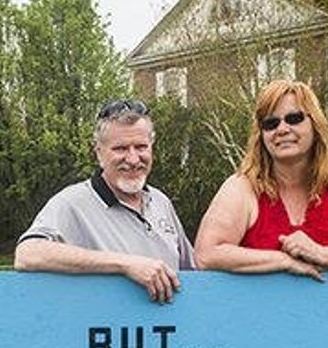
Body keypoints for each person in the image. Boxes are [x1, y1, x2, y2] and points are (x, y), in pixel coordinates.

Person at [195, 80, 328, 280]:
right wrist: (283, 261)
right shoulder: (242, 187)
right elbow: (207, 254)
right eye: (271, 123)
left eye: (294, 118)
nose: (282, 129)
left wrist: (320, 254)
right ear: (261, 135)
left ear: (315, 124)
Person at [14, 99, 195, 303]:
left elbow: (193, 269)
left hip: (165, 322)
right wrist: (125, 265)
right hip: (103, 322)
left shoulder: (161, 202)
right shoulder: (72, 202)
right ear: (99, 153)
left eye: (141, 147)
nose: (133, 159)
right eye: (121, 149)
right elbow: (27, 254)